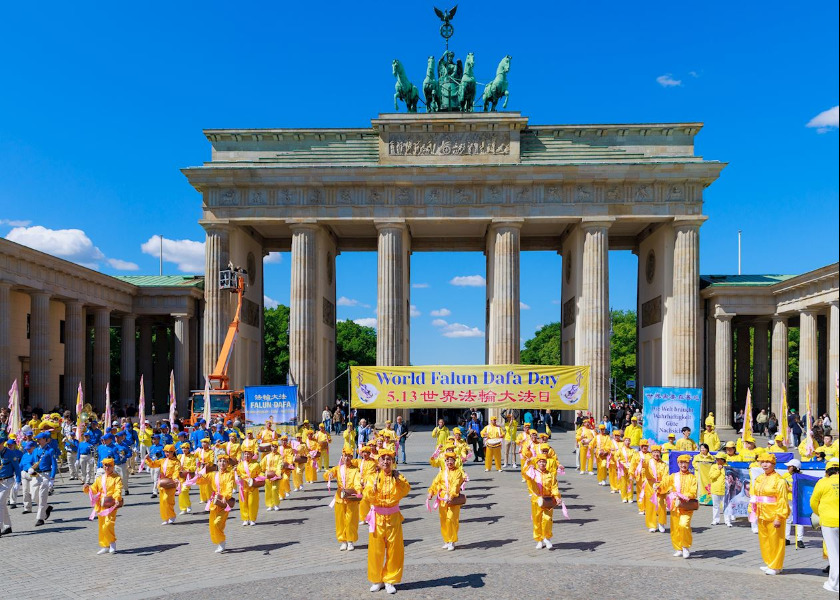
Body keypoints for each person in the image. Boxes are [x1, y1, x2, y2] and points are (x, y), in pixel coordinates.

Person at [364, 447, 410, 595]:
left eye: (388, 459)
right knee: (376, 550)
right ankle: (377, 579)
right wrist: (374, 489)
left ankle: (390, 579)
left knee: (394, 549)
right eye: (383, 459)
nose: (386, 461)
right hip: (377, 517)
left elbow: (405, 490)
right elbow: (367, 496)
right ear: (378, 461)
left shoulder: (397, 476)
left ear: (393, 461)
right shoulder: (372, 477)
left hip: (393, 517)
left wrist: (398, 480)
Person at [751, 452, 789, 575]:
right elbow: (754, 495)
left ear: (773, 464)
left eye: (767, 462)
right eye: (762, 462)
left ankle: (776, 565)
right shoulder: (760, 478)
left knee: (776, 541)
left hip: (773, 515)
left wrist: (779, 517)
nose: (765, 465)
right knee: (765, 540)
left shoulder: (779, 480)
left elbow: (782, 500)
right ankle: (769, 562)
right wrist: (753, 510)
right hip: (761, 514)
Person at [325, 445, 362, 551]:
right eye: (345, 456)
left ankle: (350, 540)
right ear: (342, 457)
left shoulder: (355, 470)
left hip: (350, 497)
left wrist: (357, 491)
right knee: (340, 520)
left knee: (351, 520)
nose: (347, 458)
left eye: (349, 456)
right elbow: (328, 474)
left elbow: (357, 482)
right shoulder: (338, 468)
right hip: (339, 498)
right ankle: (343, 541)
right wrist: (330, 475)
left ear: (352, 458)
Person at [427, 450, 466, 551]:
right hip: (443, 498)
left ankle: (452, 540)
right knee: (443, 520)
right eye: (448, 461)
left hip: (453, 499)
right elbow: (436, 483)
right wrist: (431, 492)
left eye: (451, 460)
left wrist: (452, 495)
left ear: (455, 461)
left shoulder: (458, 472)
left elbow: (456, 484)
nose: (449, 463)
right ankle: (446, 540)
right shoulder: (442, 473)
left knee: (451, 519)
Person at [524, 446, 562, 549]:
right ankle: (539, 540)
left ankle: (547, 538)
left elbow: (554, 487)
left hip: (548, 500)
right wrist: (528, 463)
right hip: (536, 500)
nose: (542, 464)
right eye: (540, 462)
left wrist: (557, 497)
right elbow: (525, 474)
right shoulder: (533, 473)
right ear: (537, 463)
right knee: (537, 520)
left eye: (544, 462)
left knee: (547, 519)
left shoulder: (550, 474)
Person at [83, 457, 123, 554]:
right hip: (101, 504)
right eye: (105, 465)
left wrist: (117, 499)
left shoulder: (116, 478)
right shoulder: (99, 479)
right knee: (102, 525)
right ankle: (105, 545)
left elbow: (118, 489)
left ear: (113, 466)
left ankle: (112, 543)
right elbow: (94, 489)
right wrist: (87, 488)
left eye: (109, 465)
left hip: (111, 504)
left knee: (108, 524)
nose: (107, 467)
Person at [811, 457, 839, 592]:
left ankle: (834, 584)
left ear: (827, 471)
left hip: (829, 521)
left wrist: (820, 513)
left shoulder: (823, 482)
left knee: (834, 554)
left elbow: (813, 503)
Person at [198, 453, 236, 553]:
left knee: (217, 523)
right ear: (217, 463)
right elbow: (202, 480)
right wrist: (198, 475)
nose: (222, 463)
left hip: (224, 503)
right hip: (214, 502)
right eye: (220, 461)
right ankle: (219, 542)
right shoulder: (213, 474)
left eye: (224, 461)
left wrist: (225, 496)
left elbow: (230, 487)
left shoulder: (230, 474)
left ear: (228, 463)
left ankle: (222, 542)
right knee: (212, 524)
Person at [662, 455, 698, 558]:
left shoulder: (692, 477)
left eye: (685, 463)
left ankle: (685, 547)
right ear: (678, 464)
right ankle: (678, 548)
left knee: (684, 525)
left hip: (686, 506)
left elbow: (693, 491)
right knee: (675, 528)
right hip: (675, 506)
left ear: (688, 464)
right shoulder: (674, 476)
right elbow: (665, 484)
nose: (683, 465)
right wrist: (658, 486)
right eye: (681, 463)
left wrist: (685, 496)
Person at [144, 444, 181, 525]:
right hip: (162, 483)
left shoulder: (176, 462)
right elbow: (152, 464)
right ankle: (165, 518)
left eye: (169, 452)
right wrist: (148, 459)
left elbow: (176, 471)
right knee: (163, 501)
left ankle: (172, 515)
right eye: (166, 452)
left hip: (171, 483)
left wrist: (175, 478)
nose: (167, 453)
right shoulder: (162, 460)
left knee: (168, 500)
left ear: (173, 452)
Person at [31, 432, 56, 526]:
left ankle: (40, 518)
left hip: (46, 474)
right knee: (34, 496)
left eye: (40, 439)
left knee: (42, 497)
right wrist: (30, 468)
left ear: (45, 439)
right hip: (36, 474)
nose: (38, 440)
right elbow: (32, 462)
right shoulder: (35, 450)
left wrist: (52, 478)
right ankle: (47, 507)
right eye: (37, 439)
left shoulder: (50, 450)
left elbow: (54, 465)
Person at [644, 445, 668, 533]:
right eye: (654, 452)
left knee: (661, 505)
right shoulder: (648, 462)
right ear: (651, 453)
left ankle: (661, 523)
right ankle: (652, 525)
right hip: (650, 486)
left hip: (661, 487)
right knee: (650, 506)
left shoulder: (664, 464)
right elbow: (645, 472)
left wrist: (660, 484)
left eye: (658, 452)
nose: (656, 454)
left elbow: (666, 476)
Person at [0, 439, 22, 536]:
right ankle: (8, 526)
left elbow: (17, 468)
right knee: (2, 505)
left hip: (7, 481)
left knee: (0, 502)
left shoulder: (10, 453)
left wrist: (18, 481)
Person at [236, 448, 263, 526]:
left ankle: (252, 519)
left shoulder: (256, 464)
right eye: (245, 454)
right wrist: (236, 474)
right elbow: (237, 473)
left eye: (248, 454)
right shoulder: (240, 464)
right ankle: (245, 519)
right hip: (243, 486)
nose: (247, 456)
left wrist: (257, 479)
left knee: (252, 503)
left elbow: (260, 474)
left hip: (252, 487)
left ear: (252, 455)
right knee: (243, 503)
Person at [709, 452, 728, 525]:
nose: (716, 460)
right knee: (715, 506)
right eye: (716, 458)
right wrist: (718, 470)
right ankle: (715, 520)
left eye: (718, 459)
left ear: (723, 460)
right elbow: (712, 476)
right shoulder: (714, 466)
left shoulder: (727, 467)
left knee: (725, 506)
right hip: (715, 489)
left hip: (725, 490)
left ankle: (727, 520)